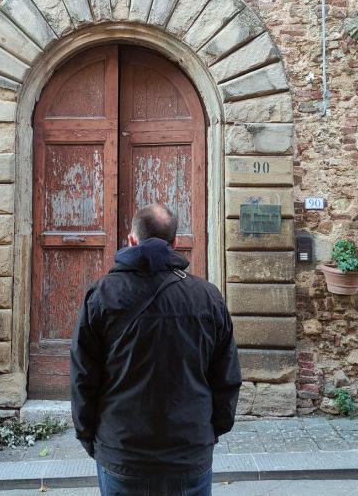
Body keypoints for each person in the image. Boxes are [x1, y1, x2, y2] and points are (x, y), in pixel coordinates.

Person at [70, 203, 241, 496]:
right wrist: (209, 433)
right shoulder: (207, 297)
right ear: (174, 244)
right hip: (189, 452)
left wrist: (91, 438)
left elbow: (83, 380)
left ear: (131, 240)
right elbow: (226, 378)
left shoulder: (101, 295)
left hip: (122, 453)